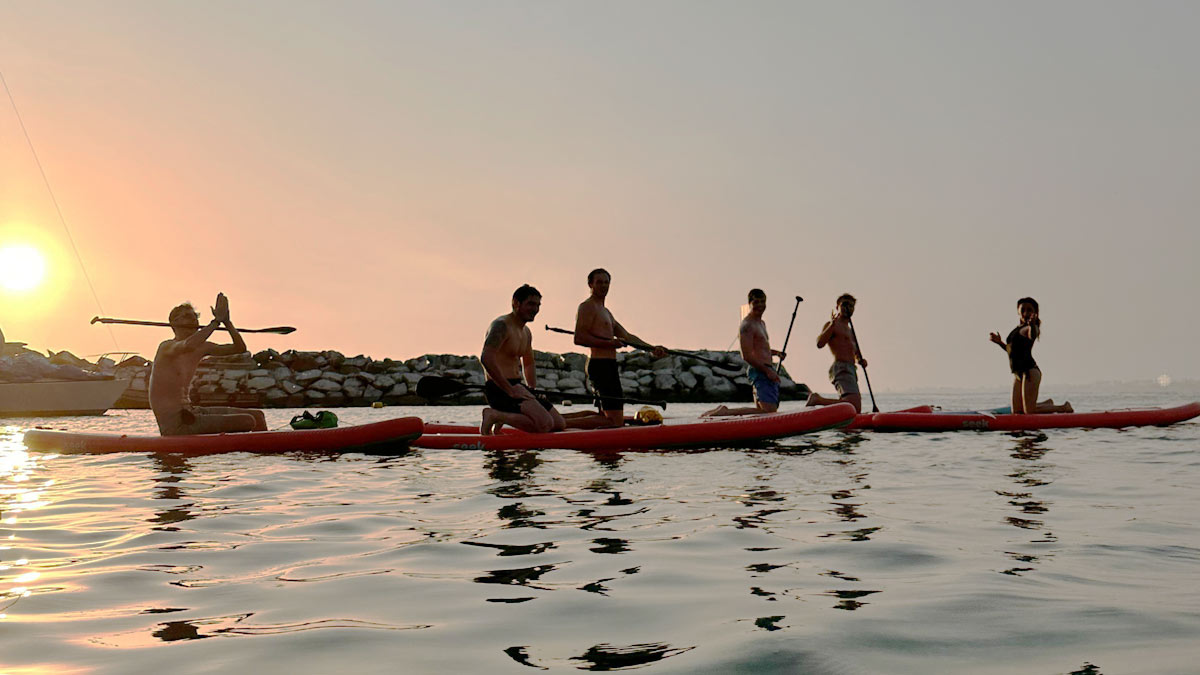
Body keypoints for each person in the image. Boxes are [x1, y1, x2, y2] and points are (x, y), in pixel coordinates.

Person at [149, 293, 267, 436]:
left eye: (195, 317)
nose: (193, 320)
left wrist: (227, 322)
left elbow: (240, 348)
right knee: (248, 421)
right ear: (174, 323)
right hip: (176, 423)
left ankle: (267, 453)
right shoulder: (167, 347)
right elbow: (189, 345)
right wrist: (216, 322)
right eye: (187, 316)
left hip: (191, 411)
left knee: (258, 416)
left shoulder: (202, 347)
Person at [573, 268, 667, 426]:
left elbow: (627, 337)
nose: (603, 286)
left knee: (604, 413)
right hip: (600, 366)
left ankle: (560, 420)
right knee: (614, 420)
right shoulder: (587, 307)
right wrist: (610, 343)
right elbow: (579, 338)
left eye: (606, 282)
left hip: (609, 366)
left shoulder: (606, 312)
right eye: (599, 282)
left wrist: (652, 348)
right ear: (590, 284)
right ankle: (559, 425)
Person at [480, 284, 567, 435]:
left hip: (517, 387)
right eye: (531, 304)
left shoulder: (526, 332)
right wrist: (510, 390)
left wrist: (532, 390)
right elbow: (486, 358)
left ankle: (503, 417)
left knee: (559, 424)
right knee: (545, 425)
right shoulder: (501, 326)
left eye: (538, 305)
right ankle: (494, 415)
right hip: (499, 388)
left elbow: (528, 363)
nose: (535, 309)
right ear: (516, 303)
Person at [702, 288, 785, 417]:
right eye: (756, 302)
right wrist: (767, 371)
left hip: (765, 369)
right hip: (760, 371)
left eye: (762, 302)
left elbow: (760, 348)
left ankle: (725, 413)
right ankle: (725, 412)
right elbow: (746, 355)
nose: (760, 305)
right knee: (768, 411)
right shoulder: (747, 325)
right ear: (750, 303)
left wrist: (776, 353)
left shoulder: (761, 323)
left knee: (763, 412)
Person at [989, 297, 1073, 414]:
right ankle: (1046, 404)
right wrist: (1000, 343)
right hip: (1018, 374)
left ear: (1035, 313)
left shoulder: (1030, 328)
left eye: (1029, 310)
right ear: (1018, 311)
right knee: (1017, 412)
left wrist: (1033, 325)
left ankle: (1063, 408)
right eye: (1023, 310)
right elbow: (1012, 351)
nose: (1026, 313)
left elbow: (1032, 334)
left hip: (1029, 372)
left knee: (1029, 411)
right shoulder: (1017, 329)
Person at [807, 293, 868, 413]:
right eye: (844, 304)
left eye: (851, 306)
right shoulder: (833, 325)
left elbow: (855, 352)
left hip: (851, 369)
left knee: (852, 404)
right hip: (841, 367)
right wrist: (831, 325)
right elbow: (819, 343)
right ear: (837, 307)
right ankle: (817, 400)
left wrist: (861, 360)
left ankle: (841, 421)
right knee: (854, 405)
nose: (848, 308)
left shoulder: (850, 330)